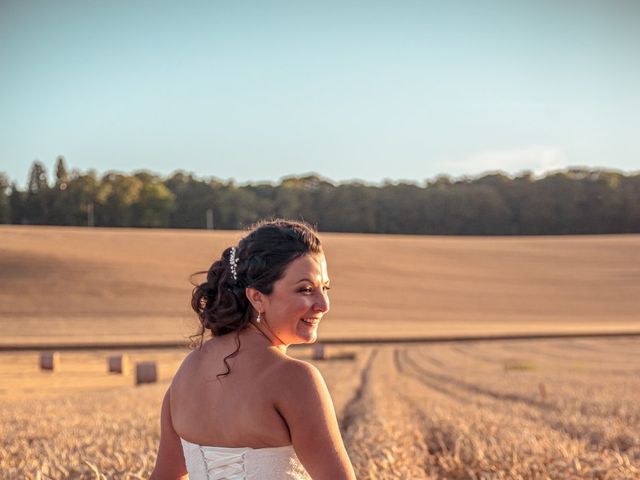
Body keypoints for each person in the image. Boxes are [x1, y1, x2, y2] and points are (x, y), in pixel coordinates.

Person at [150, 219, 356, 480]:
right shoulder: (295, 379)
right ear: (257, 297)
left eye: (324, 288)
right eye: (305, 289)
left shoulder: (188, 369)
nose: (323, 304)